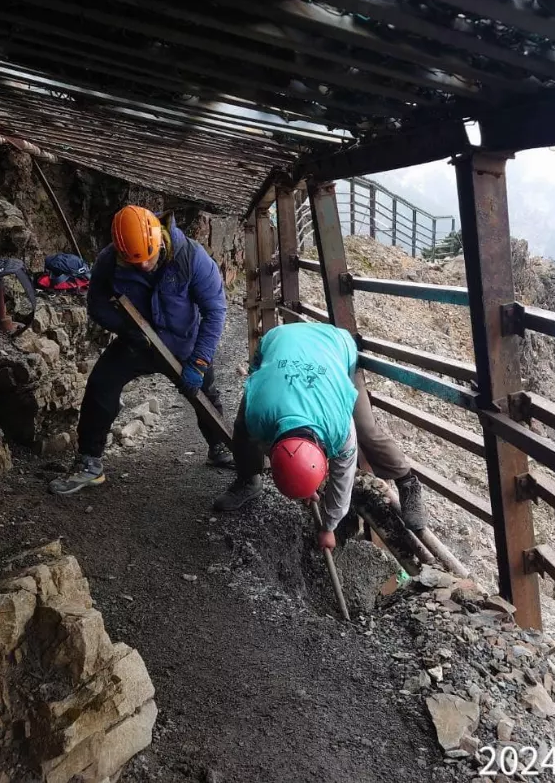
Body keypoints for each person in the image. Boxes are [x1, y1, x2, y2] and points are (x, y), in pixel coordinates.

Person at [51, 205, 233, 495]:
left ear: (159, 239)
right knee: (101, 385)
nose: (145, 266)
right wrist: (126, 330)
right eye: (136, 263)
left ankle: (219, 446)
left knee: (204, 395)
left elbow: (215, 311)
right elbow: (96, 304)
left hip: (184, 344)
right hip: (137, 341)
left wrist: (199, 361)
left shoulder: (191, 257)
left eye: (149, 258)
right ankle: (89, 462)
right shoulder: (110, 261)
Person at [213, 321, 427, 548]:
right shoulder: (258, 416)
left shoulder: (340, 428)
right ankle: (248, 480)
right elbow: (277, 448)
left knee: (366, 430)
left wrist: (329, 526)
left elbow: (343, 476)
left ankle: (408, 481)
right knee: (241, 430)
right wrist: (304, 481)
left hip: (335, 347)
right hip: (279, 341)